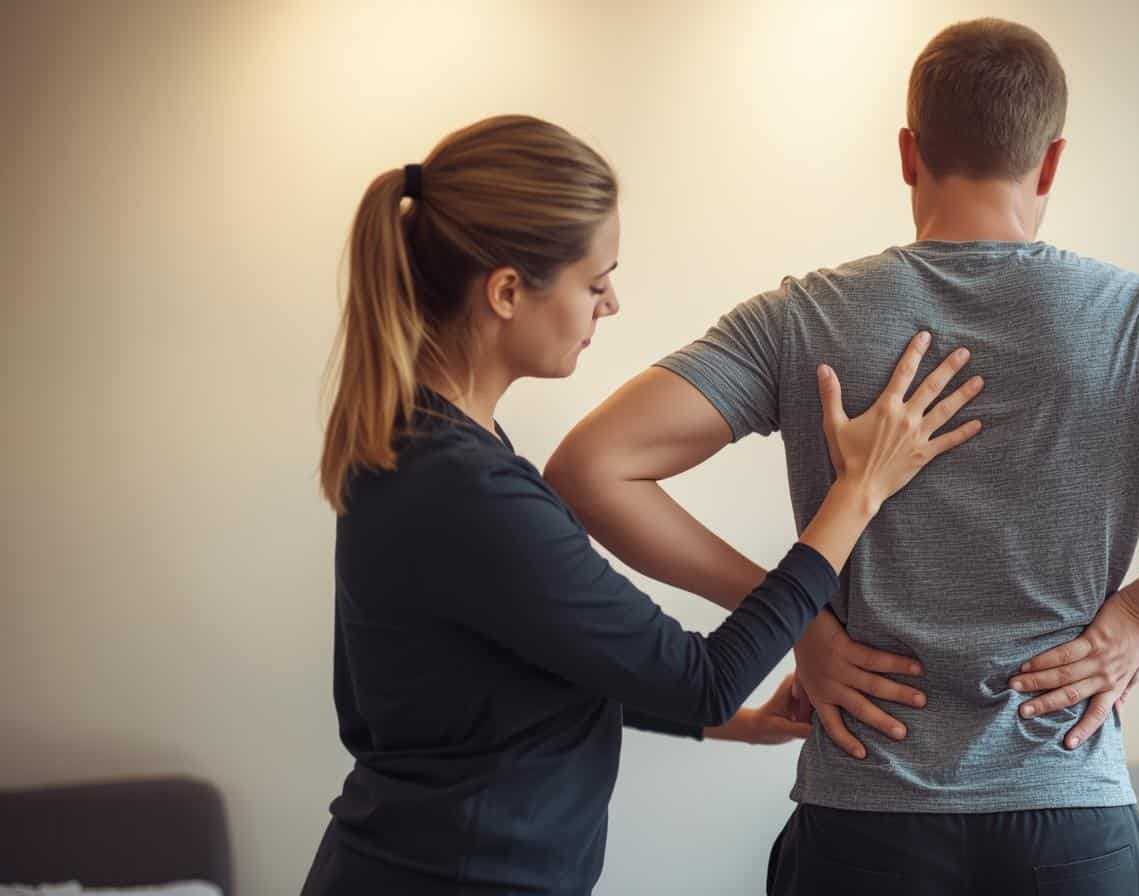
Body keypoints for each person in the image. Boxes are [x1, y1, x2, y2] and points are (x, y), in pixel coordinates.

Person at [546, 17, 1139, 896]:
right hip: (1071, 817)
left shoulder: (802, 318)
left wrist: (801, 621)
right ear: (1052, 161)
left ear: (909, 152)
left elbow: (591, 467)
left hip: (864, 824)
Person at [301, 114, 984, 896]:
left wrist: (738, 723)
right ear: (506, 292)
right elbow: (703, 677)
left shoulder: (423, 448)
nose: (611, 304)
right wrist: (856, 492)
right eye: (595, 282)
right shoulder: (464, 489)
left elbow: (517, 678)